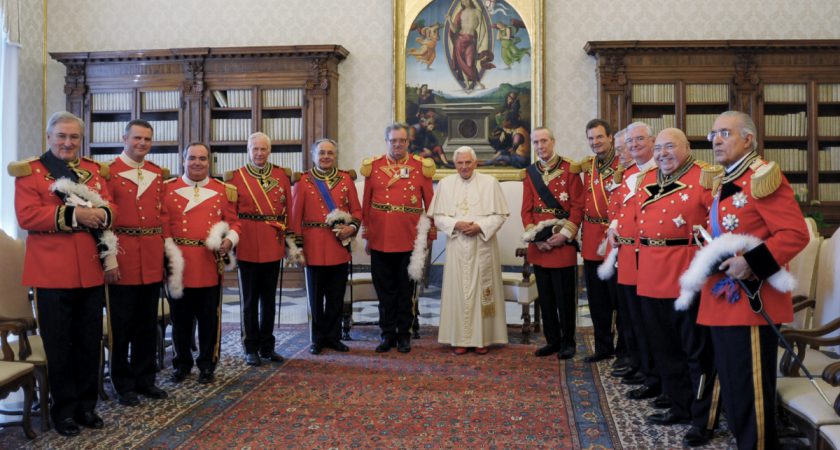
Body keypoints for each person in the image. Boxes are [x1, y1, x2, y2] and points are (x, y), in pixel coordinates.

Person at [694, 111, 809, 449]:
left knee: (750, 391)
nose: (715, 140)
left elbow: (794, 234)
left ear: (748, 138)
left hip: (751, 301)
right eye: (713, 134)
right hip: (721, 298)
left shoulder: (762, 177)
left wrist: (751, 263)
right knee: (733, 388)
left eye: (724, 133)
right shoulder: (724, 180)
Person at [10, 111, 115, 436]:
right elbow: (27, 216)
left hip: (90, 272)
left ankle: (86, 406)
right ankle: (63, 411)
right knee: (59, 344)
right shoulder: (31, 173)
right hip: (52, 274)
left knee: (88, 342)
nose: (68, 143)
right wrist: (77, 215)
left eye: (74, 137)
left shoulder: (94, 173)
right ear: (49, 137)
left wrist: (102, 213)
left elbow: (111, 208)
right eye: (61, 136)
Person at [634, 128, 717, 447]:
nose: (662, 153)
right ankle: (679, 405)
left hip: (686, 275)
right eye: (658, 148)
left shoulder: (705, 177)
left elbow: (719, 223)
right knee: (664, 348)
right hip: (651, 274)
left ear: (687, 147)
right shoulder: (647, 180)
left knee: (695, 352)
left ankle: (702, 418)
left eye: (670, 147)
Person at [163, 142, 240, 385]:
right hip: (179, 264)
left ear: (210, 162)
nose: (197, 163)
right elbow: (162, 225)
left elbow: (235, 223)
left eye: (203, 159)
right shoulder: (167, 189)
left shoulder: (222, 190)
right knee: (180, 319)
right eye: (192, 158)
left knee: (209, 319)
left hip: (208, 262)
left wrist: (229, 240)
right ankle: (181, 363)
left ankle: (207, 364)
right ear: (183, 160)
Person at [105, 119, 169, 406]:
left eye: (147, 139)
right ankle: (123, 383)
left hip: (152, 256)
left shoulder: (157, 173)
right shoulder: (109, 172)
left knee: (147, 323)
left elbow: (163, 217)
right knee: (122, 324)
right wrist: (110, 260)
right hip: (124, 254)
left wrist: (167, 257)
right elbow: (104, 220)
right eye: (137, 138)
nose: (142, 144)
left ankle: (146, 379)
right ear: (124, 138)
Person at [361, 123, 435, 353]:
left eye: (402, 140)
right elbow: (366, 204)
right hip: (381, 237)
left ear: (408, 142)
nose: (398, 144)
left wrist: (430, 233)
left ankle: (404, 334)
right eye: (393, 140)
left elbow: (431, 204)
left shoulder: (420, 167)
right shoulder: (373, 167)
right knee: (384, 290)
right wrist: (367, 234)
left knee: (406, 290)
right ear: (387, 141)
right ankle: (387, 334)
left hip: (409, 238)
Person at [604, 123, 663, 402]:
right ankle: (640, 366)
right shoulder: (630, 174)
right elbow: (622, 209)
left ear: (652, 141)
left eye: (640, 140)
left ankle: (652, 372)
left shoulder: (659, 173)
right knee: (633, 317)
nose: (634, 145)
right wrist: (614, 227)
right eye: (631, 141)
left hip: (649, 256)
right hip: (627, 254)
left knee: (648, 320)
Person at [431, 146, 509, 354]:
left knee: (482, 292)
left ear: (475, 163)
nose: (464, 167)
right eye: (460, 163)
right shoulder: (445, 185)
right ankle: (460, 339)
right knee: (458, 291)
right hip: (457, 245)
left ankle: (482, 339)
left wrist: (480, 227)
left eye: (468, 162)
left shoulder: (490, 183)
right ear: (454, 164)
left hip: (482, 244)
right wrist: (456, 224)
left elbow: (500, 216)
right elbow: (438, 217)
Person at [225, 132, 292, 367]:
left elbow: (287, 211)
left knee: (269, 300)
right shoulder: (235, 177)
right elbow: (232, 214)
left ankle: (268, 346)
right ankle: (250, 346)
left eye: (263, 149)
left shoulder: (282, 176)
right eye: (255, 149)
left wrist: (288, 242)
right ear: (248, 150)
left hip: (273, 242)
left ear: (269, 151)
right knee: (250, 300)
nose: (259, 153)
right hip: (248, 243)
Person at [290, 138, 361, 355]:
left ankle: (334, 337)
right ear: (313, 156)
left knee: (336, 296)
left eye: (330, 153)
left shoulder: (346, 180)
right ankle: (317, 338)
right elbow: (295, 216)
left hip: (338, 246)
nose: (326, 157)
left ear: (335, 155)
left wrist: (352, 227)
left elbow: (357, 211)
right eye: (321, 153)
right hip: (313, 246)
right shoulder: (303, 181)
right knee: (315, 296)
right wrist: (297, 248)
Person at [521, 127, 584, 359]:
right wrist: (535, 239)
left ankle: (569, 342)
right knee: (545, 298)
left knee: (564, 298)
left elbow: (578, 206)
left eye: (544, 141)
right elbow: (526, 210)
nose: (540, 146)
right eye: (536, 142)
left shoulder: (570, 169)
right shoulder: (529, 173)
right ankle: (552, 341)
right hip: (539, 244)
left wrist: (565, 234)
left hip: (562, 243)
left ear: (553, 142)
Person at [579, 119, 621, 363]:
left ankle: (624, 350)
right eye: (591, 138)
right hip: (592, 239)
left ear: (611, 137)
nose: (595, 142)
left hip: (615, 238)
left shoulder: (623, 164)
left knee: (619, 300)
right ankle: (603, 346)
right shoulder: (588, 166)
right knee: (597, 300)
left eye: (599, 137)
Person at [447, 0, 491, 92]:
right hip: (459, 39)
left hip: (471, 40)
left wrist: (479, 42)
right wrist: (449, 20)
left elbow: (483, 28)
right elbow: (454, 30)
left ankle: (477, 82)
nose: (464, 2)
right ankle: (467, 84)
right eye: (462, 1)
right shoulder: (460, 13)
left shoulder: (477, 12)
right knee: (461, 62)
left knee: (470, 62)